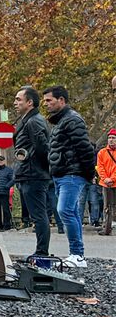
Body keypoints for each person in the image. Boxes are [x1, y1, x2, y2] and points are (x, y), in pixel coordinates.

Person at [44, 85, 93, 267]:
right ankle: (77, 255)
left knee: (64, 210)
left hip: (72, 174)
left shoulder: (72, 120)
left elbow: (85, 148)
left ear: (61, 100)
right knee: (70, 211)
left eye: (49, 100)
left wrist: (88, 174)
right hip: (62, 174)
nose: (46, 104)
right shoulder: (62, 121)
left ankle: (77, 255)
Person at [13, 85, 53, 255]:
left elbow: (43, 148)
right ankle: (40, 251)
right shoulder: (29, 120)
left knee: (39, 216)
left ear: (29, 102)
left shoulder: (34, 121)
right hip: (30, 174)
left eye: (18, 99)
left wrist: (33, 163)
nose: (15, 103)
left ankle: (42, 252)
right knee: (38, 215)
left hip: (34, 175)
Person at [97, 129, 116, 236]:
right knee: (107, 207)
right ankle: (107, 228)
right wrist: (105, 179)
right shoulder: (102, 152)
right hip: (106, 184)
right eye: (109, 138)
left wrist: (112, 178)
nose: (111, 140)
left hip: (113, 182)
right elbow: (100, 167)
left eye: (113, 138)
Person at [0, 155, 15, 231]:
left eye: (1, 160)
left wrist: (7, 186)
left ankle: (7, 225)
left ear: (4, 161)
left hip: (4, 192)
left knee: (6, 209)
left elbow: (13, 179)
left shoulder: (9, 170)